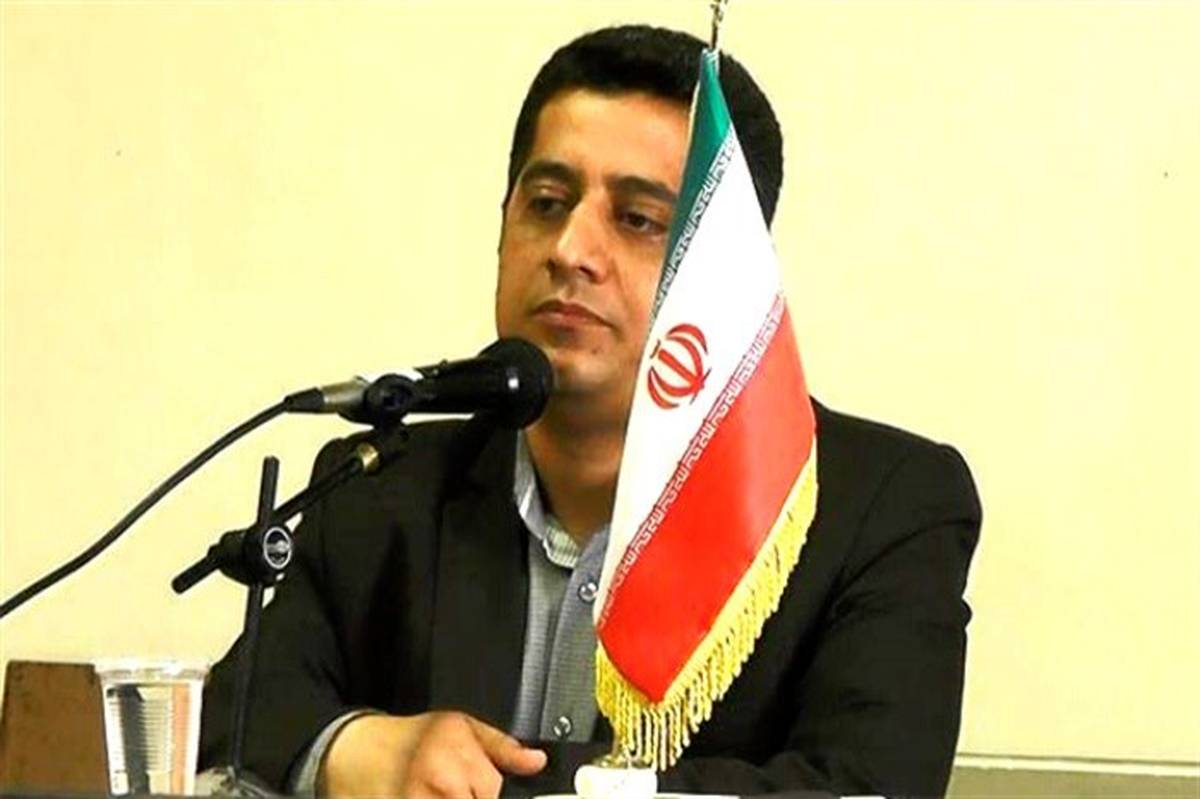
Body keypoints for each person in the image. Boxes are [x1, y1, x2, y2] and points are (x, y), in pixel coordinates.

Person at [199, 24, 981, 799]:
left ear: (729, 273)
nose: (569, 248)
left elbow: (868, 784)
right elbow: (224, 719)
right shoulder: (382, 480)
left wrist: (479, 787)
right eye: (547, 203)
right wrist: (351, 748)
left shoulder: (884, 507)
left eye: (636, 218)